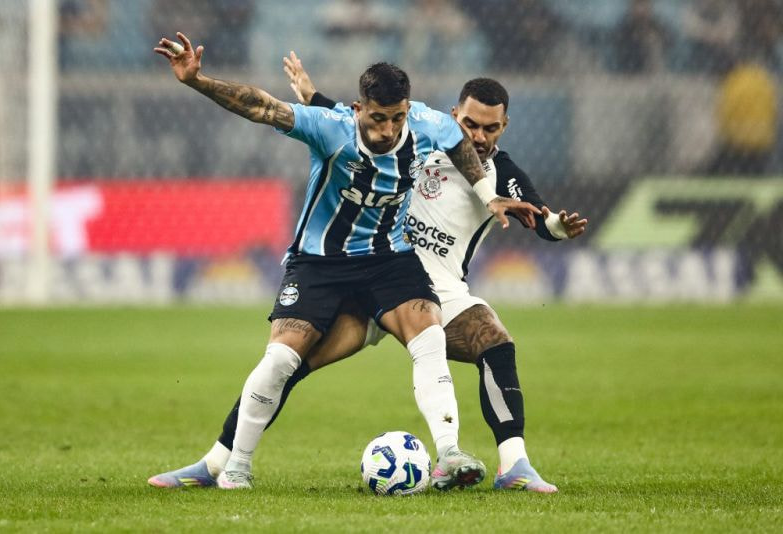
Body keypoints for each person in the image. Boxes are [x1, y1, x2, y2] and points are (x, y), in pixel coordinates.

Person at [149, 51, 586, 493]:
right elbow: (310, 115)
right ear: (455, 115)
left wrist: (538, 218)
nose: (478, 136)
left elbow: (538, 215)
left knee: (483, 339)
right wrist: (213, 83)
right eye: (470, 124)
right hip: (336, 268)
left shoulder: (481, 161)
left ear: (504, 127)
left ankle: (490, 461)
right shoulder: (395, 131)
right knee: (284, 362)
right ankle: (220, 463)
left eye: (490, 128)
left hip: (409, 274)